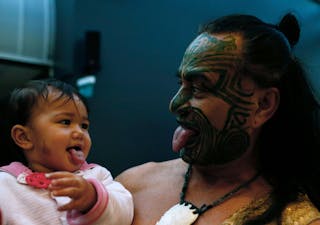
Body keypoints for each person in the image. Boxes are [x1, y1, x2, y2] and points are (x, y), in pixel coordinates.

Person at [116, 13, 320, 225]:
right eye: (182, 84)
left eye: (199, 87)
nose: (175, 104)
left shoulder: (296, 219)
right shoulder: (128, 189)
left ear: (263, 105)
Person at [0, 79, 133, 225]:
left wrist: (93, 198)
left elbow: (125, 213)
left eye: (84, 125)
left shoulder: (97, 176)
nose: (79, 132)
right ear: (24, 137)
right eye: (65, 122)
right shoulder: (5, 184)